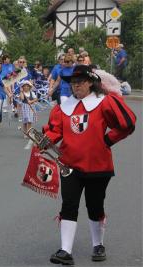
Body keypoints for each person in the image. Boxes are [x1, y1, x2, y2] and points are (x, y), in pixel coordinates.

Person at [41, 65, 136, 265]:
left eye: (80, 82)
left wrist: (108, 140)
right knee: (69, 204)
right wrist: (44, 141)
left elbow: (127, 123)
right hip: (69, 165)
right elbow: (55, 131)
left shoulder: (104, 102)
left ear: (91, 82)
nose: (76, 86)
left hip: (98, 165)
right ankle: (65, 250)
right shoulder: (63, 106)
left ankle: (98, 244)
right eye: (73, 83)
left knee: (95, 206)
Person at [19, 80, 38, 149]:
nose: (26, 87)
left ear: (29, 87)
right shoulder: (22, 93)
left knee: (30, 120)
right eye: (24, 86)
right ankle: (25, 132)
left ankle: (29, 132)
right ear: (23, 87)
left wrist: (31, 101)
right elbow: (22, 98)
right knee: (25, 120)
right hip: (24, 107)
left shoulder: (32, 93)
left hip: (31, 107)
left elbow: (36, 99)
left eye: (27, 86)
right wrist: (21, 91)